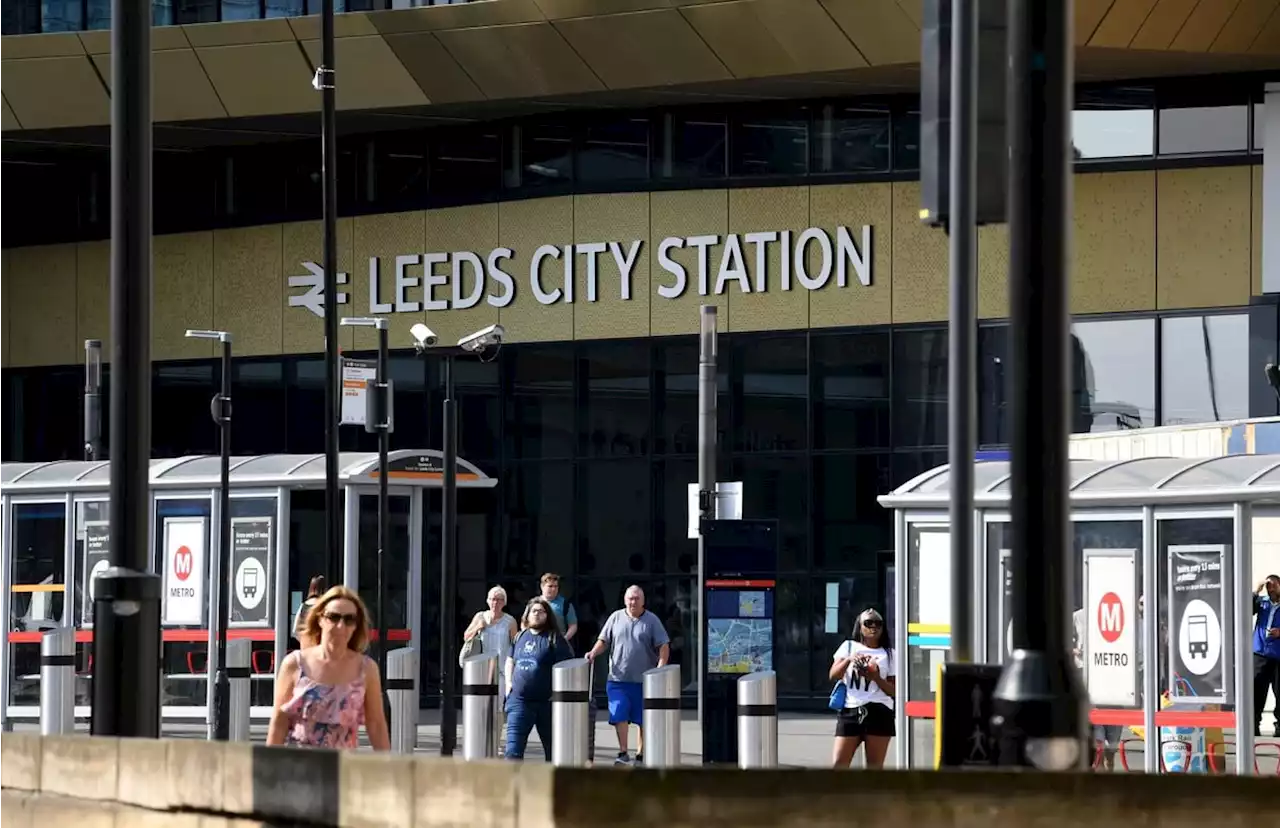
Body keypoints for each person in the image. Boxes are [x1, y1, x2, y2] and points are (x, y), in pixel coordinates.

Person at [267, 585, 390, 750]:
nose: (341, 626)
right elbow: (279, 720)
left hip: (343, 769)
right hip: (299, 767)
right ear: (320, 619)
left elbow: (376, 724)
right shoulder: (295, 664)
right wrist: (266, 770)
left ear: (356, 626)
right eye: (333, 617)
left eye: (349, 619)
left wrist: (389, 770)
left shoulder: (367, 669)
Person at [584, 585, 670, 765]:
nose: (633, 602)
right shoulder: (615, 617)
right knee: (619, 713)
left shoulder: (652, 620)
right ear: (625, 600)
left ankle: (641, 754)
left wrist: (660, 668)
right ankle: (623, 752)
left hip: (644, 681)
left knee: (643, 719)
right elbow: (603, 641)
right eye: (630, 598)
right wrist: (593, 653)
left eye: (637, 598)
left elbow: (663, 646)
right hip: (618, 679)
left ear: (643, 601)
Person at [504, 597, 574, 760]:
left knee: (555, 753)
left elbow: (568, 668)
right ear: (527, 615)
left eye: (541, 611)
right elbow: (510, 660)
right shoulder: (520, 637)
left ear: (547, 616)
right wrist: (508, 683)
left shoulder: (555, 639)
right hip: (519, 702)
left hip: (547, 704)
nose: (537, 614)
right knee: (512, 753)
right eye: (534, 611)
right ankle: (512, 785)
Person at [830, 608, 895, 769]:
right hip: (851, 709)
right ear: (860, 626)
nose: (874, 627)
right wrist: (849, 660)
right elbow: (833, 675)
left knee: (874, 768)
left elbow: (894, 691)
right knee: (839, 764)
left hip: (879, 711)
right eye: (868, 623)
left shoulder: (889, 654)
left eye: (878, 624)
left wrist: (876, 677)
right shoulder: (849, 646)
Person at [463, 585, 519, 754]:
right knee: (479, 708)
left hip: (501, 671)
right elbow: (466, 637)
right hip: (481, 670)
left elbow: (515, 645)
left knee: (497, 709)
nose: (496, 602)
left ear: (504, 602)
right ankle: (479, 740)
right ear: (488, 601)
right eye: (493, 599)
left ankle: (495, 741)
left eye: (499, 599)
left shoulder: (510, 621)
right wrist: (477, 627)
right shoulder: (480, 616)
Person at [1072, 605, 1122, 770]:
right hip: (1090, 684)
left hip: (1113, 685)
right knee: (1098, 746)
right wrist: (1075, 650)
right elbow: (1066, 640)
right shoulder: (1078, 616)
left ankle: (1109, 771)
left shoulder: (1117, 613)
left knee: (1111, 750)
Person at [1253, 575, 1280, 737]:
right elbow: (1243, 609)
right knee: (1256, 691)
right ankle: (1254, 725)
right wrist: (1256, 590)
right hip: (1260, 654)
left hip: (1278, 656)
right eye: (1268, 587)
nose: (1271, 590)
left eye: (1274, 586)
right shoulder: (1261, 602)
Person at [539, 573, 578, 645]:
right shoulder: (534, 603)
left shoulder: (566, 604)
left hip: (557, 643)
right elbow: (525, 622)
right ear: (542, 586)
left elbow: (573, 625)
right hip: (538, 643)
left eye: (555, 586)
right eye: (550, 586)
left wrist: (565, 639)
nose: (553, 589)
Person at [293, 575, 327, 649]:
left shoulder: (303, 606)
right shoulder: (324, 606)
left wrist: (304, 640)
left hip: (305, 648)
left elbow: (295, 630)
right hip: (320, 648)